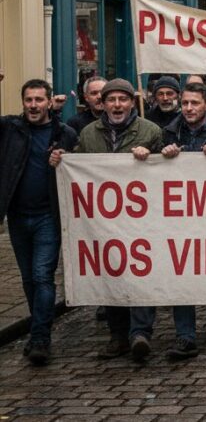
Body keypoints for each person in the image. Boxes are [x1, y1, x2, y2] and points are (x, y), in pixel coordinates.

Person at [52, 78, 163, 361]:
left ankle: (140, 332)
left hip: (141, 218)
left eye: (123, 100)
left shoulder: (150, 131)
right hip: (104, 220)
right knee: (111, 273)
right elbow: (79, 168)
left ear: (131, 102)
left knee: (140, 273)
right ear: (103, 104)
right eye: (111, 100)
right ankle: (117, 334)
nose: (117, 105)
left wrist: (152, 156)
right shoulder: (89, 133)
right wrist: (64, 161)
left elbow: (167, 168)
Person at [132, 82, 206, 360]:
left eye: (194, 103)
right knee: (179, 271)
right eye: (186, 103)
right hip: (176, 216)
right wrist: (154, 155)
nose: (189, 108)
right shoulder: (167, 132)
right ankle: (185, 336)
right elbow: (150, 170)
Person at [1, 79, 78, 365]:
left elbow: (79, 163)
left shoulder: (64, 133)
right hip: (18, 216)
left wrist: (66, 158)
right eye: (28, 100)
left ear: (48, 102)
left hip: (48, 215)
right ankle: (37, 329)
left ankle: (41, 338)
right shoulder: (11, 129)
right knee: (28, 279)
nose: (33, 105)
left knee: (42, 275)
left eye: (38, 100)